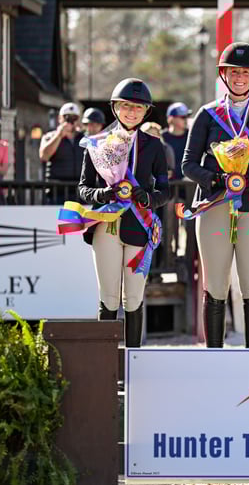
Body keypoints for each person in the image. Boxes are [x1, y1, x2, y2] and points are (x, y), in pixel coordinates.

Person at [182, 42, 249, 348]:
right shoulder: (207, 115)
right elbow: (188, 164)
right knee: (215, 285)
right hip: (214, 205)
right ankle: (214, 355)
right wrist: (218, 179)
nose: (239, 78)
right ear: (224, 75)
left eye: (245, 72)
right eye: (233, 72)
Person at [77, 78, 169, 347]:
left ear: (146, 112)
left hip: (139, 227)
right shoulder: (96, 143)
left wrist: (148, 198)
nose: (132, 112)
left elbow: (165, 191)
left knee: (134, 297)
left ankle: (133, 357)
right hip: (106, 226)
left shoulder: (154, 146)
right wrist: (102, 195)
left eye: (138, 107)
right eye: (126, 106)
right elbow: (83, 188)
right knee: (109, 296)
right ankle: (104, 359)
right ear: (115, 108)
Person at [39, 102, 84, 204]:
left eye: (74, 118)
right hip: (57, 192)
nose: (70, 121)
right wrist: (59, 135)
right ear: (59, 118)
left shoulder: (84, 138)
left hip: (79, 192)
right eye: (67, 117)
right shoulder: (50, 136)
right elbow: (44, 156)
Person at [163, 102, 191, 180]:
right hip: (169, 183)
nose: (186, 120)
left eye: (187, 116)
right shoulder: (162, 137)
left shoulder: (192, 136)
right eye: (183, 117)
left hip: (189, 183)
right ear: (171, 119)